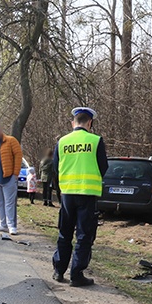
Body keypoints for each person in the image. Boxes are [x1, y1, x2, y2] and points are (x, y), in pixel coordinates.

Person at [51, 107, 108, 287]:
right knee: (84, 235)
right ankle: (77, 275)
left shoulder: (62, 142)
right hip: (88, 194)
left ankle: (59, 271)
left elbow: (55, 167)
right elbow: (103, 167)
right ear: (89, 123)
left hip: (67, 194)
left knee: (64, 232)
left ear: (73, 123)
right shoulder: (96, 140)